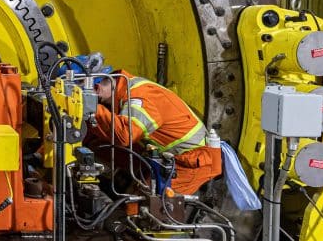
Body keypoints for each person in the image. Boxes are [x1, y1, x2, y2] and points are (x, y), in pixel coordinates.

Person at [87, 67, 222, 195]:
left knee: (147, 207)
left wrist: (92, 106)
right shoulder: (127, 90)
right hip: (173, 160)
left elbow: (126, 134)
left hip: (192, 163)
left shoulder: (139, 97)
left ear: (96, 88)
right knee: (140, 202)